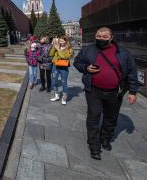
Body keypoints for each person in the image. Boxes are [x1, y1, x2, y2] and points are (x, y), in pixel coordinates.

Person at [74, 27, 138, 160]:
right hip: (93, 90)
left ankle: (105, 139)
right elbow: (77, 62)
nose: (101, 38)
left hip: (115, 92)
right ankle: (94, 145)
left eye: (104, 36)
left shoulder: (123, 53)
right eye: (99, 35)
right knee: (93, 116)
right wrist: (86, 68)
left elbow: (132, 72)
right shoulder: (88, 50)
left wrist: (132, 91)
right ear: (95, 36)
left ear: (111, 37)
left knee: (110, 118)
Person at [50, 35, 74, 105]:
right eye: (60, 41)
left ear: (66, 41)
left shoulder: (69, 49)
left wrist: (58, 50)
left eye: (62, 41)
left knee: (64, 82)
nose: (61, 42)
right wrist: (54, 47)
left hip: (64, 67)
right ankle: (56, 95)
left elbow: (64, 57)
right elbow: (51, 54)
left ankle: (64, 97)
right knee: (54, 81)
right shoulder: (57, 46)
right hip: (55, 66)